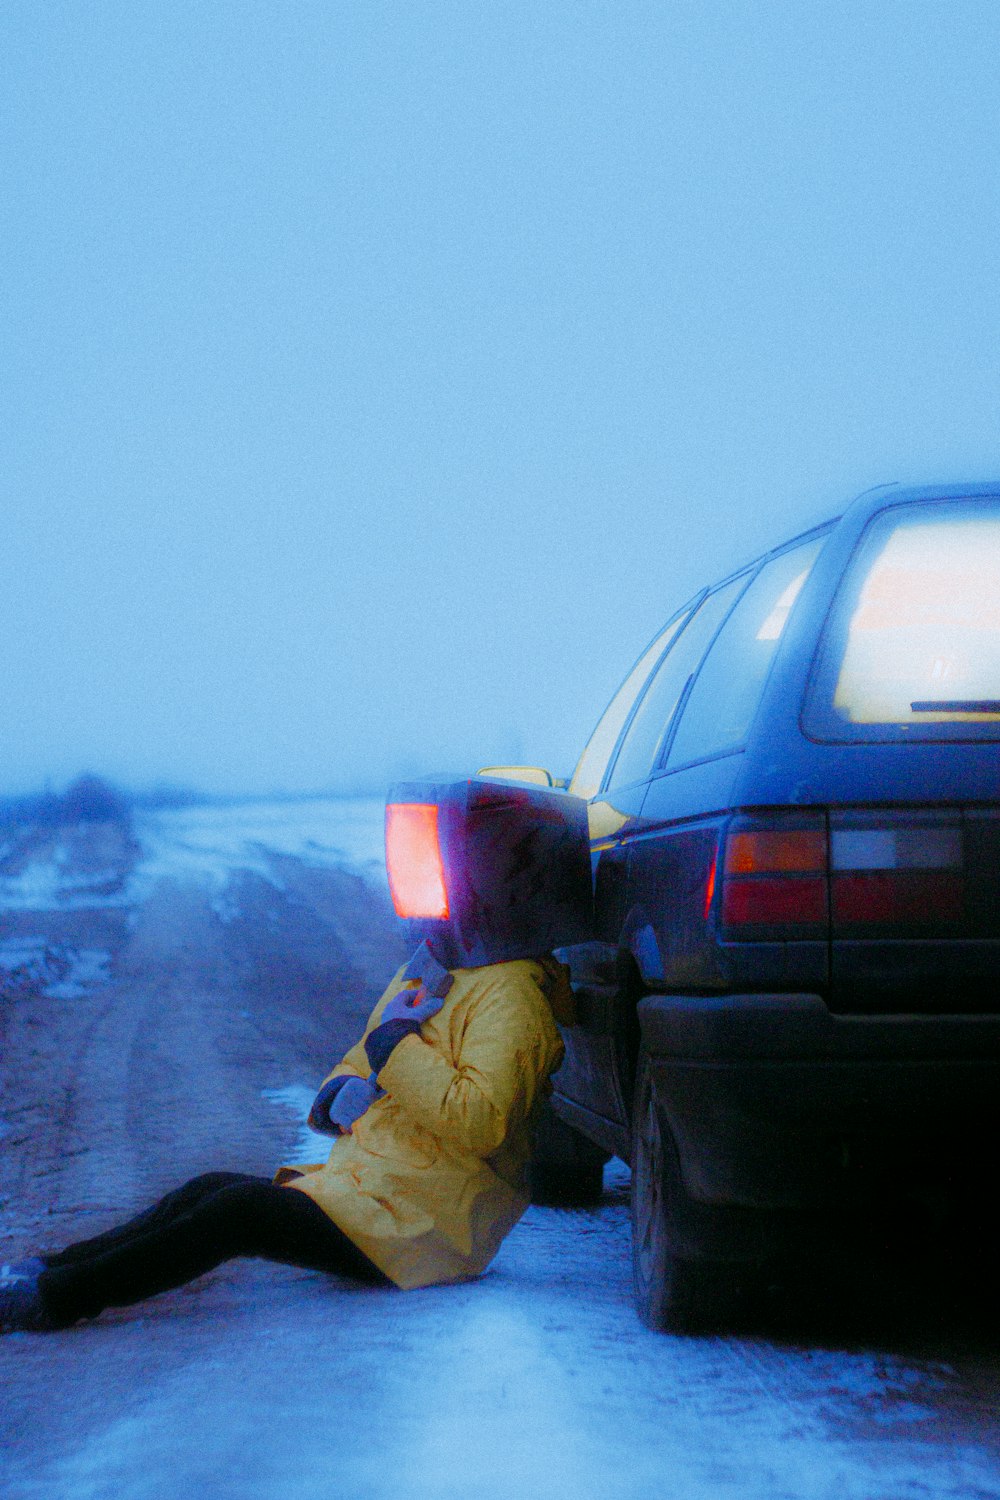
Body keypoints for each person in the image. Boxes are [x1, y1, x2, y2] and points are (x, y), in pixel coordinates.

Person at [0, 939, 572, 1333]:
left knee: (236, 1211)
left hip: (432, 1228)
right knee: (211, 1186)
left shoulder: (513, 995)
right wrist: (339, 1094)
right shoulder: (435, 966)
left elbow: (480, 1121)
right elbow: (363, 1052)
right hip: (380, 1190)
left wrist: (396, 1047)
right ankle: (50, 1269)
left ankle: (56, 1300)